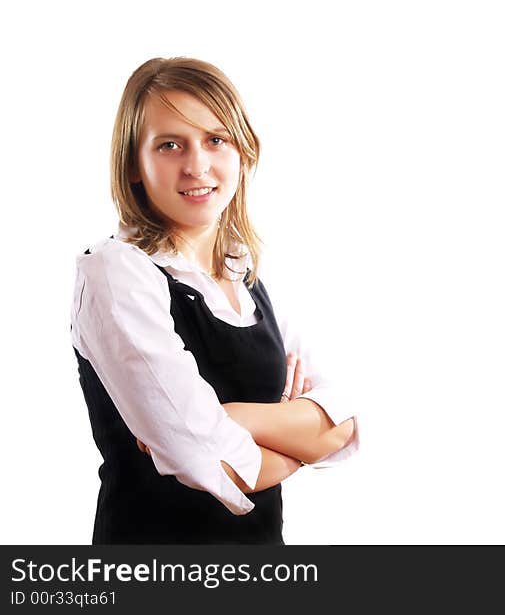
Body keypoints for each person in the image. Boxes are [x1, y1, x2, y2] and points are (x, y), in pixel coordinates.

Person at [71, 57, 358, 544]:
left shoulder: (248, 273)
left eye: (215, 140)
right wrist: (298, 442)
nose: (197, 165)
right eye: (169, 145)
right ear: (134, 166)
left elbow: (343, 423)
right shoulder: (116, 272)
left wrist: (223, 417)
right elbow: (216, 464)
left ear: (242, 152)